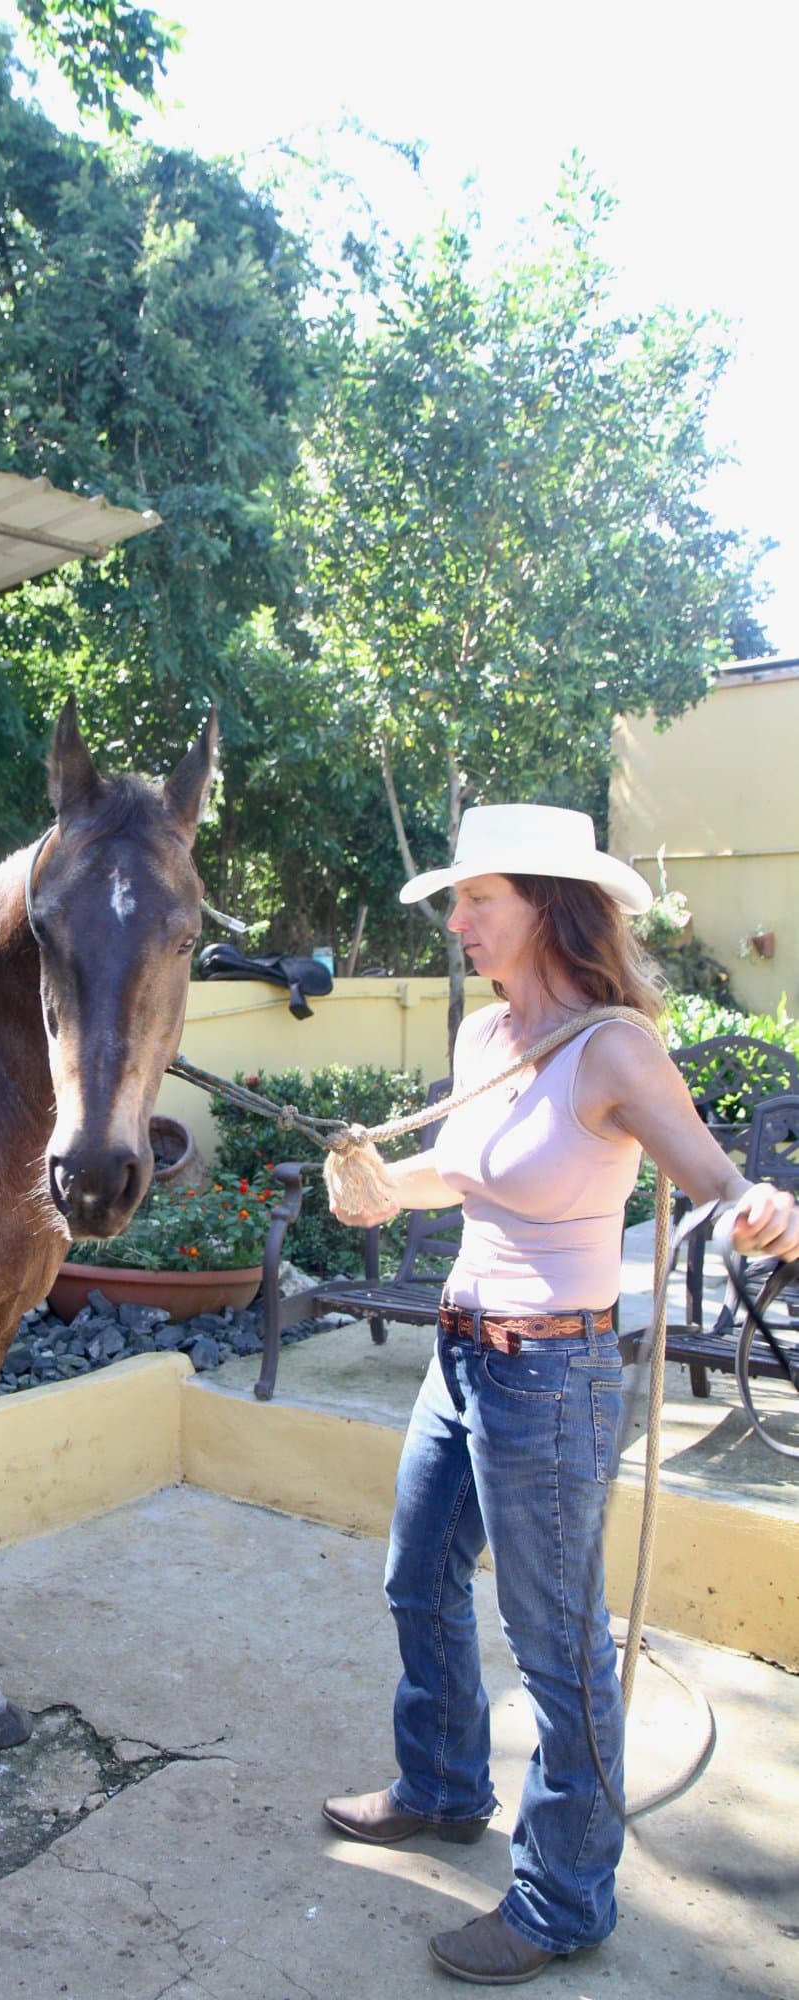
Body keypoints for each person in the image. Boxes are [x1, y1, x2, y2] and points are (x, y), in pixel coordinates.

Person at [323, 804, 799, 1987]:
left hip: (552, 1376)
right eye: (456, 899)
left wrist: (762, 1210)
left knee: (558, 1651)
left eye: (477, 897)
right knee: (416, 1573)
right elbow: (467, 1167)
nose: (458, 919)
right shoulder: (487, 1035)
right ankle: (440, 1784)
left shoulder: (615, 1046)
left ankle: (564, 1897)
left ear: (546, 900)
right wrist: (386, 1187)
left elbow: (716, 1180)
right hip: (462, 1350)